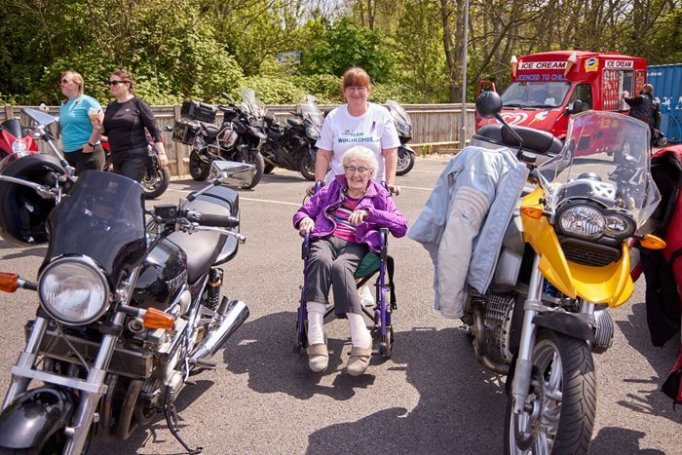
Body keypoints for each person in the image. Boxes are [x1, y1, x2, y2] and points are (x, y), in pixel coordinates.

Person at [293, 146, 407, 375]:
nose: (355, 174)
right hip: (326, 237)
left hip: (357, 243)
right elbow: (303, 211)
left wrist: (371, 214)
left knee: (340, 267)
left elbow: (401, 226)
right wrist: (304, 220)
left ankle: (361, 338)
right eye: (350, 168)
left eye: (361, 169)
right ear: (344, 170)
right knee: (319, 260)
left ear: (371, 172)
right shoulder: (333, 187)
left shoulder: (379, 194)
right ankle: (316, 336)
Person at [312, 67, 401, 195]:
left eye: (360, 88)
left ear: (368, 90)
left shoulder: (381, 114)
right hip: (338, 190)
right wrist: (319, 183)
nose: (356, 92)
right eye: (351, 88)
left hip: (373, 191)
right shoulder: (333, 116)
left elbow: (390, 152)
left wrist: (390, 183)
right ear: (344, 91)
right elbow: (323, 154)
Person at [100, 70, 168, 182]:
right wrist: (98, 126)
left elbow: (154, 129)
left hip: (135, 155)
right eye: (110, 83)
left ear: (127, 85)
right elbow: (106, 132)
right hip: (116, 155)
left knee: (127, 190)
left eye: (115, 82)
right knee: (123, 193)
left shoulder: (138, 104)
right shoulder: (111, 106)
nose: (111, 86)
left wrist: (161, 153)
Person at [58, 70, 105, 175]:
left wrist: (90, 144)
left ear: (77, 83)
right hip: (69, 153)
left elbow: (99, 125)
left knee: (89, 190)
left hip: (87, 153)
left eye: (65, 81)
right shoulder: (64, 105)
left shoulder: (88, 102)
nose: (62, 84)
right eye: (61, 82)